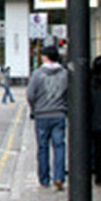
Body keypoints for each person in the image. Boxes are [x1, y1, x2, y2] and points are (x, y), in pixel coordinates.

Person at [27, 45, 68, 190]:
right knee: (59, 146)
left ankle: (44, 179)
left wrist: (34, 108)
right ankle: (59, 177)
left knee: (43, 147)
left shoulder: (38, 74)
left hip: (42, 115)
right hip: (59, 113)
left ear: (45, 57)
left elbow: (30, 95)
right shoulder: (64, 74)